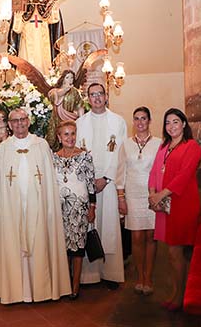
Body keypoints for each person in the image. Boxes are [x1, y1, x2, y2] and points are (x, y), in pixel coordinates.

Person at [0, 108, 71, 304]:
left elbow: (49, 181)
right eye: (15, 121)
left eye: (22, 119)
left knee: (38, 240)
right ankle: (15, 291)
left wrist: (49, 207)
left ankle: (40, 289)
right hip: (11, 208)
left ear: (28, 121)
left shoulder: (41, 145)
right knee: (13, 243)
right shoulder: (3, 148)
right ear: (9, 124)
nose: (19, 124)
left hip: (38, 205)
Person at [148, 108, 201, 311]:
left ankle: (180, 296)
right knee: (170, 252)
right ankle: (176, 292)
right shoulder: (165, 146)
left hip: (181, 204)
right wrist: (152, 192)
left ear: (184, 124)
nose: (171, 126)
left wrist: (160, 195)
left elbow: (184, 175)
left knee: (175, 251)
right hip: (164, 206)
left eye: (175, 122)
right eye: (168, 123)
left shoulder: (192, 146)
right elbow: (154, 171)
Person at [76, 82, 127, 289]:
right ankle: (89, 275)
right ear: (88, 99)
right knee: (90, 226)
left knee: (109, 227)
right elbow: (78, 152)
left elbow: (120, 154)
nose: (96, 98)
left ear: (106, 97)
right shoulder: (80, 122)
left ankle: (111, 274)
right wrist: (89, 181)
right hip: (87, 184)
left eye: (100, 94)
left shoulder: (118, 121)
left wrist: (105, 179)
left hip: (109, 182)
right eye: (92, 94)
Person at [116, 107, 162, 295]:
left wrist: (159, 196)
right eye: (136, 119)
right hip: (132, 194)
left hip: (152, 194)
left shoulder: (160, 143)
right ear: (133, 122)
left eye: (144, 118)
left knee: (151, 236)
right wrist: (121, 197)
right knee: (136, 237)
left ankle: (149, 277)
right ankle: (139, 277)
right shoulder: (126, 144)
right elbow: (120, 172)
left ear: (150, 121)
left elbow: (161, 171)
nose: (140, 122)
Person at [52, 120, 96, 300]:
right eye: (66, 134)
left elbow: (91, 184)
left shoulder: (85, 156)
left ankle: (75, 285)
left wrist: (92, 207)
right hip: (59, 209)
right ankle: (64, 283)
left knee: (77, 247)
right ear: (59, 137)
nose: (70, 138)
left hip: (79, 209)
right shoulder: (53, 157)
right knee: (62, 247)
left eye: (72, 134)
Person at [8, 0, 65, 74]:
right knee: (27, 60)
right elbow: (17, 28)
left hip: (43, 36)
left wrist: (55, 5)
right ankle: (26, 82)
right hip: (28, 34)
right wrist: (18, 14)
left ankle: (46, 78)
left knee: (43, 60)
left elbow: (53, 20)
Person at [45, 70, 85, 151]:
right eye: (67, 77)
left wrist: (82, 119)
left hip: (71, 120)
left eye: (72, 78)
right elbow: (55, 99)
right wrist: (65, 90)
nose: (70, 80)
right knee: (56, 141)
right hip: (57, 120)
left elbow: (79, 105)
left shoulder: (75, 92)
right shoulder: (54, 91)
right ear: (63, 79)